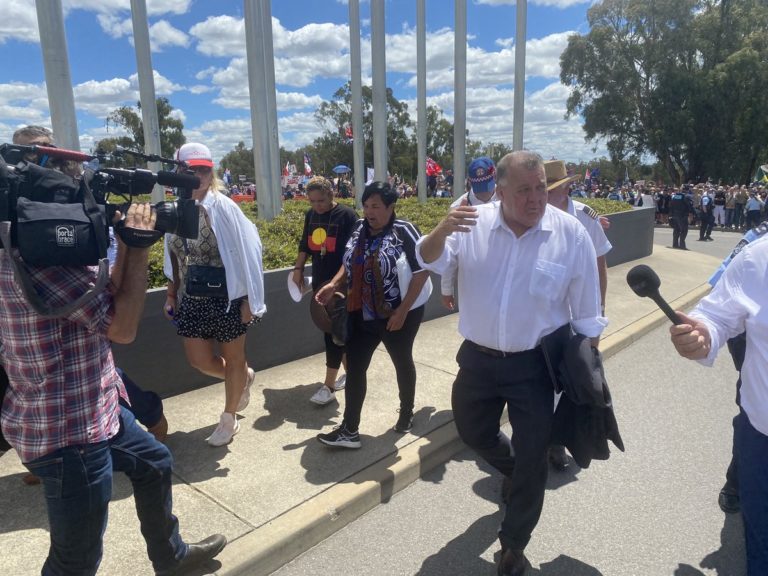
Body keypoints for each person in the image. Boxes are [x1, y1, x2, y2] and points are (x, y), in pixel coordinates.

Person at [0, 189, 226, 574]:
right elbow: (121, 328)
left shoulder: (35, 250)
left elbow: (107, 295)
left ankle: (170, 559)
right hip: (70, 432)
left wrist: (124, 245)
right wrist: (138, 249)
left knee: (155, 462)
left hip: (98, 408)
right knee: (76, 559)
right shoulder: (41, 266)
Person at [417, 151, 605, 575]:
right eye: (524, 190)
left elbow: (588, 312)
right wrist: (442, 228)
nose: (536, 198)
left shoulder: (571, 234)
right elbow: (428, 257)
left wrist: (589, 365)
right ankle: (523, 476)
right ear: (499, 192)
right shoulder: (471, 224)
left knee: (534, 452)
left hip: (535, 368)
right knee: (473, 432)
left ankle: (513, 546)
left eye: (541, 187)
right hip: (478, 362)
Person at [670, 237, 768, 575]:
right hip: (763, 436)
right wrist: (702, 336)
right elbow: (716, 316)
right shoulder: (757, 257)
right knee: (763, 544)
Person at [164, 143, 266, 447]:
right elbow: (172, 255)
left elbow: (250, 252)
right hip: (192, 298)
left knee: (234, 357)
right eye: (190, 170)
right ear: (178, 174)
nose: (197, 176)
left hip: (229, 298)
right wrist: (171, 294)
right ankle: (243, 379)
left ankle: (229, 416)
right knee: (199, 360)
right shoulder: (176, 211)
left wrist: (251, 299)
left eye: (203, 170)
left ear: (212, 173)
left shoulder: (224, 207)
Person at [315, 181, 429, 448]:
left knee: (401, 361)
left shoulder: (405, 231)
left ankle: (406, 412)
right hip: (360, 313)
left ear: (391, 207)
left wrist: (402, 310)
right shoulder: (358, 228)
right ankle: (349, 430)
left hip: (397, 314)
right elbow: (348, 263)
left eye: (376, 206)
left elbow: (422, 272)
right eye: (366, 206)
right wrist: (334, 284)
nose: (369, 212)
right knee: (355, 368)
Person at [544, 159, 612, 471]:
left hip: (576, 316)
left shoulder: (585, 217)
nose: (540, 198)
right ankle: (538, 439)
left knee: (570, 380)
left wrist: (598, 311)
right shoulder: (531, 217)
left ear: (565, 189)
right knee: (542, 381)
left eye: (548, 191)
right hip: (544, 316)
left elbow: (600, 265)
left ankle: (558, 442)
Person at [291, 176, 358, 405]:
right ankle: (355, 375)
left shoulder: (347, 216)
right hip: (320, 281)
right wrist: (298, 269)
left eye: (320, 200)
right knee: (337, 332)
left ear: (331, 195)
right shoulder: (311, 216)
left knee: (333, 334)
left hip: (341, 285)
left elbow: (352, 254)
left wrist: (338, 283)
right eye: (312, 201)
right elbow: (304, 244)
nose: (317, 206)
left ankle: (328, 386)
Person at [440, 156, 499, 311]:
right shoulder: (458, 207)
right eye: (479, 187)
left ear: (494, 177)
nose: (484, 192)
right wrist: (447, 289)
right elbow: (450, 251)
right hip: (474, 279)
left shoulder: (509, 199)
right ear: (470, 182)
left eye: (487, 185)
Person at [669, 185, 695, 250]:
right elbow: (689, 206)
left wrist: (670, 215)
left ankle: (675, 244)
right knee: (684, 230)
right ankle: (682, 245)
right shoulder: (686, 197)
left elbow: (671, 205)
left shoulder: (675, 196)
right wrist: (694, 213)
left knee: (676, 230)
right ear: (687, 190)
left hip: (674, 215)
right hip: (682, 216)